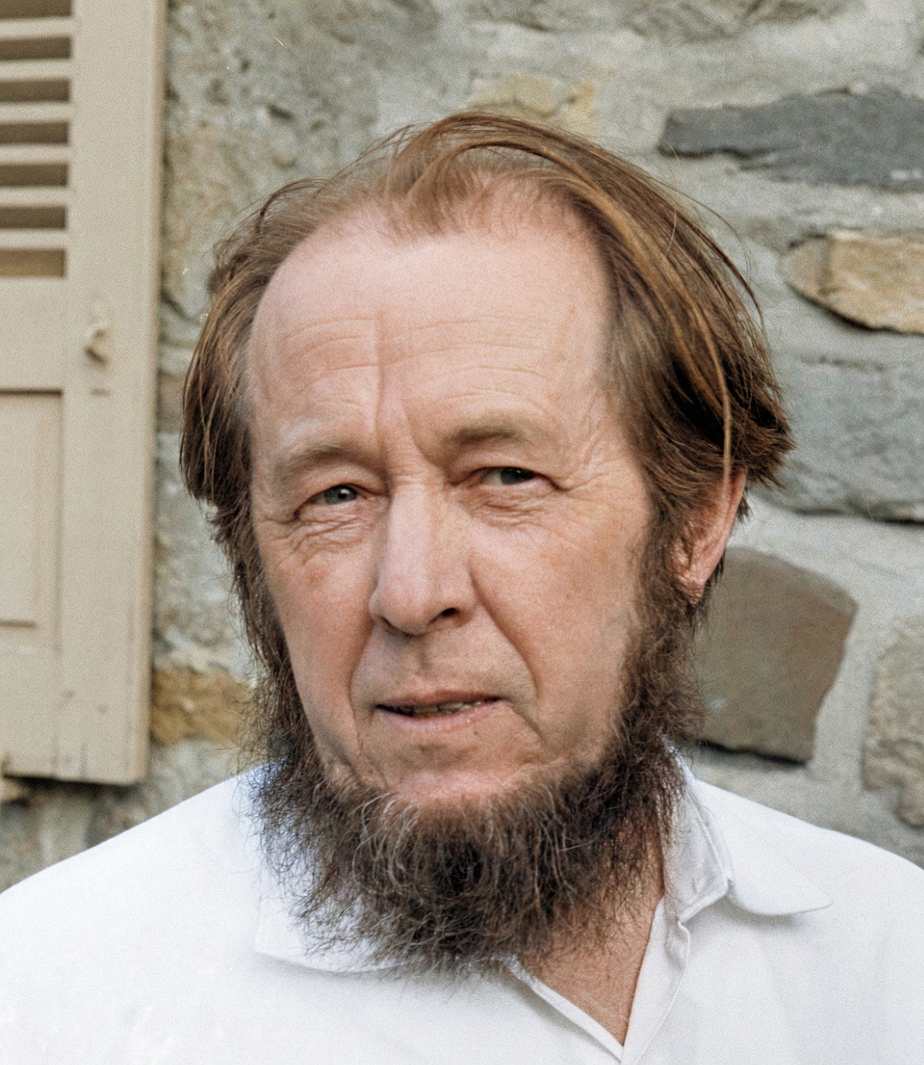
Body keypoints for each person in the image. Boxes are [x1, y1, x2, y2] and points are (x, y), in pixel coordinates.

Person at [1, 113, 922, 1064]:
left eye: (505, 477)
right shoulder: (52, 1003)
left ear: (695, 522)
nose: (410, 592)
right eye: (336, 495)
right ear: (252, 559)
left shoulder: (888, 965)